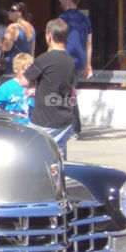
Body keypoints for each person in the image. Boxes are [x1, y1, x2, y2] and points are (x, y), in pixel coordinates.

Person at [25, 18, 76, 157]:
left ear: (49, 35)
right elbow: (71, 88)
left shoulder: (45, 59)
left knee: (36, 157)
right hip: (64, 120)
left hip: (44, 120)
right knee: (58, 159)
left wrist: (32, 87)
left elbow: (25, 79)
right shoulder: (70, 60)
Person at [59, 0, 92, 137]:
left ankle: (73, 128)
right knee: (69, 93)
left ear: (69, 0)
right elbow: (89, 44)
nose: (60, 0)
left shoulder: (63, 18)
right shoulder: (85, 19)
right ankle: (72, 127)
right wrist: (88, 64)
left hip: (66, 60)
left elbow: (58, 40)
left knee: (67, 94)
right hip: (79, 61)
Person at [0, 53, 34, 122]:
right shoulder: (7, 87)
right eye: (24, 69)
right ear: (15, 69)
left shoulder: (36, 85)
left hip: (32, 125)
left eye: (30, 70)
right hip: (13, 125)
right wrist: (3, 118)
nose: (27, 72)